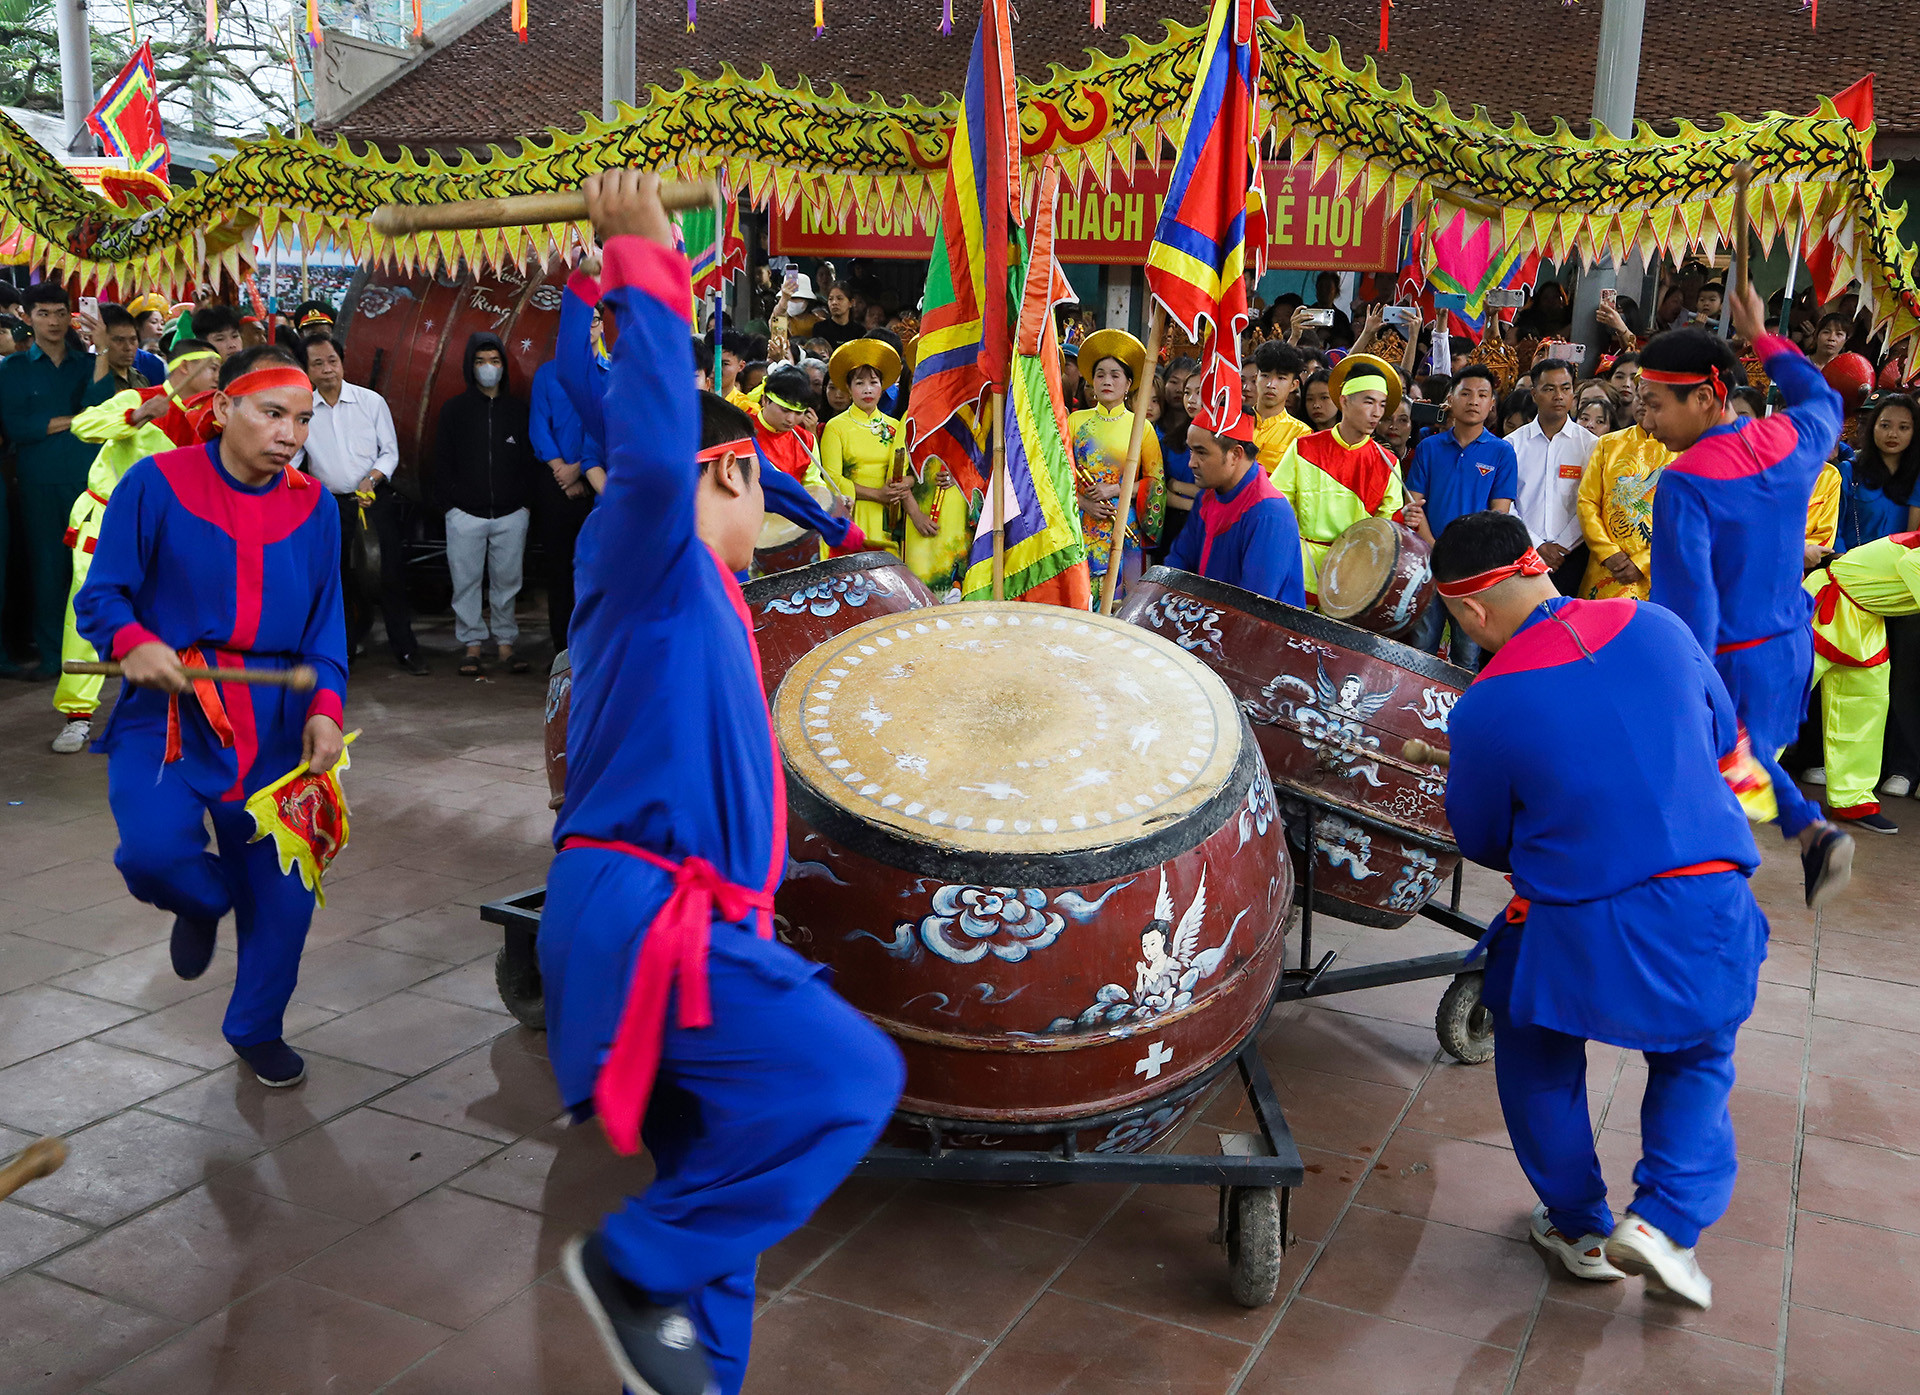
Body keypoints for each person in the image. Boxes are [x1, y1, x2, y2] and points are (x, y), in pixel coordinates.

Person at [541, 170, 901, 1395]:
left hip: (666, 920)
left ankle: (688, 1343)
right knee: (850, 1080)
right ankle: (633, 1263)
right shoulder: (651, 557)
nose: (775, 514)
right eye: (761, 485)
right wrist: (644, 265)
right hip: (654, 919)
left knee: (727, 1224)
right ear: (735, 475)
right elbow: (650, 458)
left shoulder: (695, 593)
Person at [1435, 510, 1769, 1312]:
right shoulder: (1657, 624)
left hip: (1576, 916)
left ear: (1472, 613)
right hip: (1708, 896)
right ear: (1537, 568)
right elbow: (1723, 735)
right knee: (1696, 1053)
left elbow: (1483, 839)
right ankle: (1663, 1220)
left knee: (1534, 1044)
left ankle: (1581, 1228)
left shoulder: (1484, 706)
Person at [73, 344, 347, 1087]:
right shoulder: (154, 482)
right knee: (155, 855)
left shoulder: (314, 505)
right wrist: (134, 641)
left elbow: (327, 630)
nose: (290, 433)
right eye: (272, 413)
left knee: (287, 896)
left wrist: (325, 708)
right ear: (223, 409)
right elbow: (101, 598)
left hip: (279, 725)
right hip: (169, 713)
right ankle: (200, 899)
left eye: (302, 418)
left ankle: (255, 1025)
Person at [1642, 280, 1854, 906]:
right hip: (1790, 648)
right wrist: (1765, 335)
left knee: (1709, 794)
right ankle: (1811, 832)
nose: (1645, 421)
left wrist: (1684, 681)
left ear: (1706, 397)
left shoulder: (1686, 483)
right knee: (1746, 763)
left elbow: (1692, 609)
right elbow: (1821, 394)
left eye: (1654, 405)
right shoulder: (1793, 439)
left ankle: (1710, 915)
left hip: (1729, 661)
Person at [51, 341, 221, 753]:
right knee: (87, 611)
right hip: (106, 523)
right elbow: (84, 426)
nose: (219, 376)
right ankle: (78, 714)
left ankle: (167, 711)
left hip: (163, 533)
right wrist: (139, 414)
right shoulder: (139, 399)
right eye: (212, 368)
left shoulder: (210, 420)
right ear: (185, 369)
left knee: (163, 613)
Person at [303, 334, 426, 674]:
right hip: (330, 506)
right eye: (318, 363)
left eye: (332, 360)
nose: (327, 369)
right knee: (337, 579)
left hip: (373, 501)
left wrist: (370, 479)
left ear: (342, 362)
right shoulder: (304, 411)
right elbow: (295, 459)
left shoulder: (370, 402)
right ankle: (343, 652)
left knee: (389, 575)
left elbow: (389, 451)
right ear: (308, 370)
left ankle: (405, 649)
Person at [0, 282, 97, 680]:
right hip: (38, 482)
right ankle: (55, 656)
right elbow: (18, 427)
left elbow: (105, 409)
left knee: (89, 570)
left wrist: (105, 346)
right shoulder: (12, 370)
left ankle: (93, 654)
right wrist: (77, 420)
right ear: (27, 317)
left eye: (60, 312)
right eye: (43, 313)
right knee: (46, 569)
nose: (53, 322)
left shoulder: (88, 364)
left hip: (88, 481)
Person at [432, 333, 536, 677]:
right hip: (465, 515)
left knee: (508, 582)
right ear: (469, 367)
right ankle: (472, 644)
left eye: (494, 361)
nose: (487, 368)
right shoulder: (454, 410)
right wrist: (452, 505)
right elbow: (441, 462)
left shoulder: (518, 411)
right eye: (479, 362)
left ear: (504, 366)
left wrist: (523, 504)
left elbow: (529, 460)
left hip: (511, 514)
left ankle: (506, 644)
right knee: (466, 582)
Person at [1802, 531, 1920, 833]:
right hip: (1830, 604)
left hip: (1866, 620)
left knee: (1865, 709)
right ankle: (1731, 780)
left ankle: (1852, 798)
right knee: (1778, 697)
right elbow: (1911, 565)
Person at [1403, 365, 1518, 665]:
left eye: (1482, 395)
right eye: (1465, 393)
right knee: (1422, 645)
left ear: (1492, 404)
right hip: (1430, 560)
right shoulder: (1428, 448)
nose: (1473, 401)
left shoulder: (1502, 452)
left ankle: (1457, 710)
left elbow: (1499, 515)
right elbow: (1415, 503)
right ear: (1450, 400)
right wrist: (1434, 545)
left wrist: (1469, 555)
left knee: (1467, 653)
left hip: (1474, 567)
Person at [1268, 353, 1405, 604]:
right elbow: (1277, 504)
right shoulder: (1304, 448)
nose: (1377, 413)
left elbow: (1387, 528)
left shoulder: (1388, 462)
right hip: (1299, 568)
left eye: (1382, 405)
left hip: (1354, 575)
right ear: (1344, 401)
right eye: (1369, 402)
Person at [1164, 393, 1305, 603]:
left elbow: (1252, 604)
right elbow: (1179, 561)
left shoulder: (1269, 514)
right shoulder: (1207, 496)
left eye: (1201, 452)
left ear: (1235, 454)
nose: (1191, 463)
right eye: (1190, 451)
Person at [1068, 329, 1164, 603]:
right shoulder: (1075, 422)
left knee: (1124, 601)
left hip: (1125, 525)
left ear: (1129, 383)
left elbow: (1155, 483)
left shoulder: (1141, 427)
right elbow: (1058, 477)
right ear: (1091, 381)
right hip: (1081, 522)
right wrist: (1084, 503)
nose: (1106, 381)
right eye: (1100, 374)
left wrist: (1115, 489)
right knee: (1082, 600)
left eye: (1115, 375)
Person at [528, 350, 601, 654]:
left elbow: (603, 427)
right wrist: (561, 469)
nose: (588, 327)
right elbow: (539, 425)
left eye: (595, 320)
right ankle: (561, 652)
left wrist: (580, 469)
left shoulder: (608, 373)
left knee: (595, 574)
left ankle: (592, 650)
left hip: (597, 482)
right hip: (555, 482)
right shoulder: (547, 374)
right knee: (558, 574)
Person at [1574, 385, 1674, 601]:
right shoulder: (1608, 444)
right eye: (1639, 395)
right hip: (1606, 567)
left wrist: (1643, 562)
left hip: (1655, 570)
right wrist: (1607, 552)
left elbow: (1682, 523)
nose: (1641, 402)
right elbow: (1587, 501)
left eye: (1651, 397)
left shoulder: (1681, 449)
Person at [1507, 357, 1596, 595]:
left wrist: (1561, 547)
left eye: (1565, 388)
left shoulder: (1592, 446)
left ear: (1573, 394)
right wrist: (1537, 545)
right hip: (1522, 553)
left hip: (1573, 556)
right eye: (1549, 389)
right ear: (1534, 394)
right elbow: (1506, 504)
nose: (1558, 395)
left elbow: (1591, 502)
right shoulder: (1512, 445)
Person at [818, 338, 905, 557]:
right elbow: (831, 478)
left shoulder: (895, 426)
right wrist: (877, 495)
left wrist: (899, 489)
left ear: (883, 386)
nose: (868, 389)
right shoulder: (836, 427)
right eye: (859, 383)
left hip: (890, 516)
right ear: (848, 388)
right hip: (852, 512)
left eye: (874, 382)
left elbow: (908, 471)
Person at [1251, 339, 1313, 472]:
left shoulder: (1301, 434)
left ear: (1293, 385)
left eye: (1281, 378)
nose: (1271, 384)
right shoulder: (1235, 421)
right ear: (1256, 378)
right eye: (1265, 376)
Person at [83, 305, 150, 406]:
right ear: (100, 339)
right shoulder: (88, 378)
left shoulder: (141, 379)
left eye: (133, 339)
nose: (128, 347)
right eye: (119, 340)